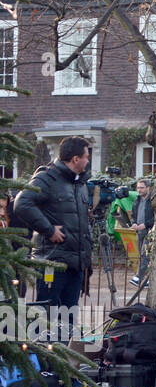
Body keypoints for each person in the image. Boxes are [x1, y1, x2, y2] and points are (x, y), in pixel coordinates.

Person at [13, 137, 92, 339]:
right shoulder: (47, 178)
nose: (88, 161)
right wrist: (49, 230)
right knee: (46, 314)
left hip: (75, 263)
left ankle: (64, 362)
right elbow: (22, 203)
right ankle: (44, 363)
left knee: (69, 316)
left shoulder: (80, 184)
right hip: (51, 260)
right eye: (86, 156)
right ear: (75, 159)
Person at [127, 179, 155, 283]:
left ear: (148, 188)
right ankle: (148, 279)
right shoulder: (137, 200)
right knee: (142, 254)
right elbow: (134, 215)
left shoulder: (153, 200)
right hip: (139, 231)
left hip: (150, 231)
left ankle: (139, 277)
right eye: (138, 187)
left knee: (145, 253)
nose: (139, 190)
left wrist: (146, 224)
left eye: (142, 187)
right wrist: (133, 223)